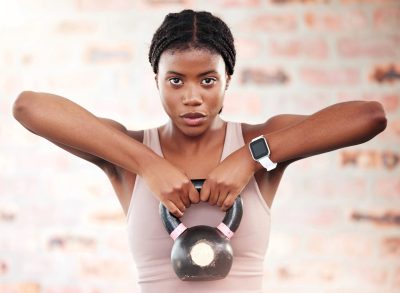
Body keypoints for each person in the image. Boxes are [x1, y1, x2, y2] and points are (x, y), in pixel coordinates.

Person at [12, 9, 387, 293]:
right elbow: (28, 107)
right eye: (175, 81)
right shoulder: (127, 154)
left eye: (208, 80)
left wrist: (249, 158)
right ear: (156, 81)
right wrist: (147, 164)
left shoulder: (259, 143)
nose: (192, 97)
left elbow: (369, 117)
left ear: (228, 81)